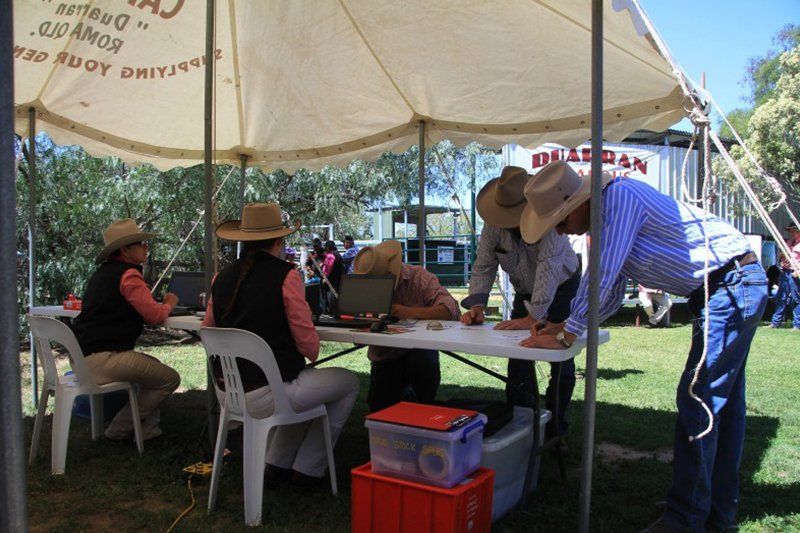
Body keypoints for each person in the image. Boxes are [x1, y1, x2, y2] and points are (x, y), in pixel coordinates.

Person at [518, 161, 768, 533]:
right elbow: (611, 293)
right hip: (727, 286)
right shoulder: (607, 218)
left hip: (730, 285)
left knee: (699, 402)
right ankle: (712, 512)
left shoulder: (619, 199)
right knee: (721, 409)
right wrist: (564, 324)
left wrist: (567, 331)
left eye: (561, 220)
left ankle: (686, 518)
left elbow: (602, 279)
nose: (559, 229)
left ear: (578, 205)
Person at [201, 202, 358, 487]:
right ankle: (309, 467)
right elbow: (309, 347)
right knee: (348, 383)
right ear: (279, 240)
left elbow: (209, 329)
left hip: (228, 393)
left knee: (298, 385)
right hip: (269, 393)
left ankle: (277, 462)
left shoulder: (219, 277)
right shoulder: (287, 276)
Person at [460, 165, 581, 441]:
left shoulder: (549, 219)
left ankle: (555, 427)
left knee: (561, 354)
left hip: (563, 287)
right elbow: (484, 263)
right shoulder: (493, 226)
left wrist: (533, 317)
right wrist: (477, 306)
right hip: (525, 291)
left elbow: (548, 268)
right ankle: (521, 427)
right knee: (518, 356)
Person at [71, 219, 181, 441]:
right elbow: (154, 316)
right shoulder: (129, 275)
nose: (145, 248)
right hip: (105, 359)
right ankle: (120, 428)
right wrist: (169, 303)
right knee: (169, 379)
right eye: (140, 243)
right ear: (125, 249)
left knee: (153, 368)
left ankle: (147, 429)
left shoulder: (102, 274)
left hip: (81, 358)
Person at [353, 240, 459, 412]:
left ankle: (423, 407)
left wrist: (408, 312)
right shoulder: (365, 288)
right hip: (385, 356)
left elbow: (451, 310)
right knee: (380, 410)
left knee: (423, 370)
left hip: (419, 351)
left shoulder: (419, 278)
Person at [769, 223, 800, 329]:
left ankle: (797, 324)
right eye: (790, 230)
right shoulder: (789, 242)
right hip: (785, 271)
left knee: (795, 298)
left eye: (793, 230)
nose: (791, 232)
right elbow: (782, 255)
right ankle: (775, 322)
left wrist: (798, 270)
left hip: (795, 272)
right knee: (781, 297)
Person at [322, 240, 345, 314]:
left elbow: (328, 269)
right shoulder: (338, 255)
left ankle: (332, 314)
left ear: (328, 248)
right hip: (339, 281)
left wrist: (325, 278)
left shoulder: (331, 256)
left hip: (332, 282)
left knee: (331, 300)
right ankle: (335, 314)